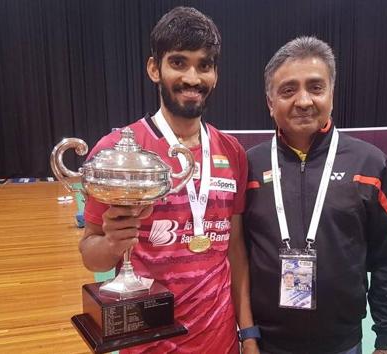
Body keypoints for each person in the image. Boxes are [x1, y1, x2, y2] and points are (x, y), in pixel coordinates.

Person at [79, 7, 257, 353]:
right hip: (147, 343)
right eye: (179, 62)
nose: (193, 78)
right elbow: (91, 255)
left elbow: (235, 251)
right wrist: (113, 244)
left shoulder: (232, 151)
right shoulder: (117, 152)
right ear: (153, 69)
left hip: (219, 342)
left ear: (215, 75)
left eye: (204, 65)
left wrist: (247, 334)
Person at [243, 36, 387, 354]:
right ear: (270, 102)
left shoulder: (369, 163)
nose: (303, 100)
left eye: (315, 87)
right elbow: (236, 259)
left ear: (331, 95)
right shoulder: (249, 166)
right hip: (266, 345)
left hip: (343, 344)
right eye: (288, 90)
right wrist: (247, 334)